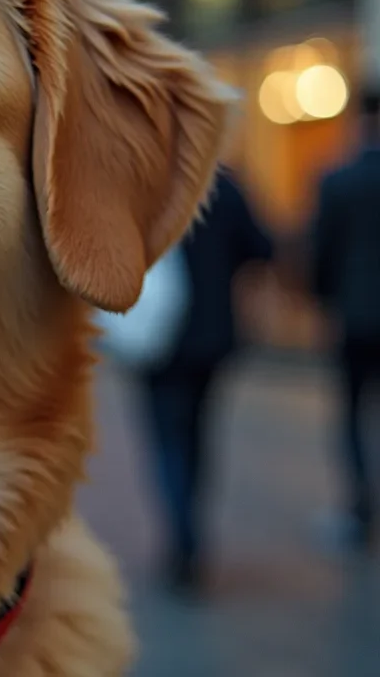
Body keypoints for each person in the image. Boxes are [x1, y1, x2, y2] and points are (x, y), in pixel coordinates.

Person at [140, 168, 274, 594]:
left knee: (167, 439)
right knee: (199, 435)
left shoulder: (152, 183)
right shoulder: (228, 187)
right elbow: (262, 248)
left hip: (159, 338)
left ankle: (183, 538)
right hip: (212, 334)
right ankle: (191, 532)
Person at [309, 88, 380, 552]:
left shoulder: (339, 180)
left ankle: (360, 511)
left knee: (353, 415)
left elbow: (321, 253)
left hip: (354, 318)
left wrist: (324, 300)